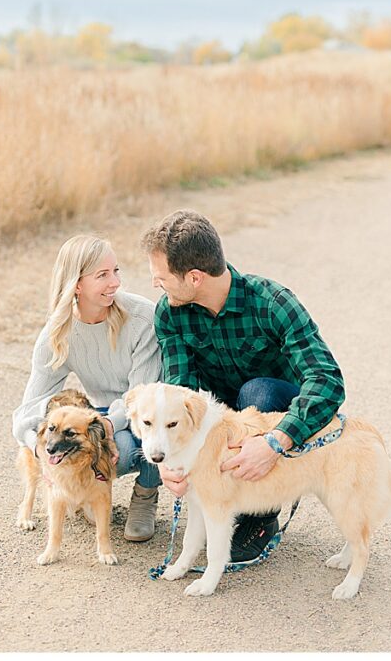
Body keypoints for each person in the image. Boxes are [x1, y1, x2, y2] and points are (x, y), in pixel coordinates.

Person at [140, 209, 345, 562]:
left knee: (257, 393)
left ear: (194, 277)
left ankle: (260, 515)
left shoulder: (273, 302)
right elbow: (180, 391)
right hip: (221, 417)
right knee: (219, 411)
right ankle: (225, 496)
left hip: (276, 413)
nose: (156, 285)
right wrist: (171, 458)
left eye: (161, 278)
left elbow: (327, 380)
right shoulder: (169, 313)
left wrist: (274, 442)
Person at [12, 235, 163, 542]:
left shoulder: (142, 318)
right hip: (101, 413)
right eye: (103, 275)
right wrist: (41, 448)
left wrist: (108, 425)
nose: (116, 282)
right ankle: (88, 492)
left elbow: (141, 395)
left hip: (146, 410)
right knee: (91, 445)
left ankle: (146, 494)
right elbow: (27, 410)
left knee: (132, 443)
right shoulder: (58, 332)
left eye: (116, 271)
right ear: (76, 285)